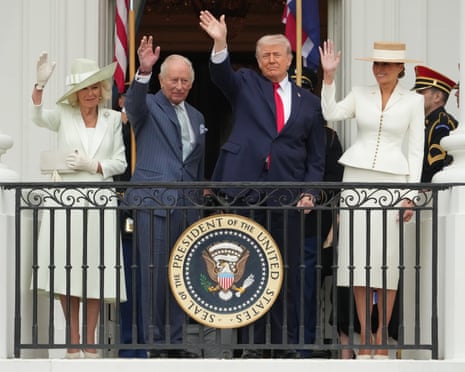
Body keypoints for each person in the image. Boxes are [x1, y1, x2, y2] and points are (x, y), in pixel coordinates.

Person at [199, 11, 326, 358]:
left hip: (288, 196)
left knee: (285, 272)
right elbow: (220, 74)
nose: (271, 59)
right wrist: (220, 42)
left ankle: (283, 347)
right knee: (249, 270)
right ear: (257, 61)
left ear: (289, 59)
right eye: (264, 55)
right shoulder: (245, 84)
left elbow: (316, 158)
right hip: (246, 191)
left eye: (277, 54)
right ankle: (251, 348)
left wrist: (309, 192)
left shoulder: (309, 103)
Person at [319, 40, 424, 359]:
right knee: (356, 262)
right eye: (377, 64)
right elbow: (331, 113)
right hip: (356, 181)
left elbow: (416, 149)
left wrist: (410, 195)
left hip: (393, 183)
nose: (381, 70)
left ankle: (381, 336)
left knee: (387, 263)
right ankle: (364, 334)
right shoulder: (358, 93)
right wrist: (328, 77)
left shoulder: (414, 101)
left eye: (388, 65)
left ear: (400, 69)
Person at [31, 53, 128, 358]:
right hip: (65, 202)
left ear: (102, 90)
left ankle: (91, 341)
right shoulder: (63, 114)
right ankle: (72, 342)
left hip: (100, 201)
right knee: (66, 269)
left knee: (97, 270)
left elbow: (120, 162)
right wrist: (40, 84)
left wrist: (94, 164)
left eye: (96, 87)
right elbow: (36, 116)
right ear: (75, 93)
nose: (91, 94)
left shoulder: (113, 119)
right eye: (85, 89)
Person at [124, 36, 206, 358]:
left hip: (187, 207)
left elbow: (195, 164)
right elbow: (133, 105)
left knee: (181, 275)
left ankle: (176, 341)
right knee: (153, 273)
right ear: (161, 79)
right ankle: (154, 344)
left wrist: (200, 198)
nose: (179, 85)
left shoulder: (198, 117)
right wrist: (142, 71)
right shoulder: (148, 106)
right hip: (154, 203)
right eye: (173, 79)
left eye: (185, 80)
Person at [289, 66, 344, 357]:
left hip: (311, 222)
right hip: (275, 217)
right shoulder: (272, 128)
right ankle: (273, 345)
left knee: (306, 285)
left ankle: (305, 346)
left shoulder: (329, 137)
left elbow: (334, 180)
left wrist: (311, 197)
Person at [412, 65, 459, 182]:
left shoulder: (442, 124)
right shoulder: (431, 122)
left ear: (437, 97)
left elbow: (435, 166)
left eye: (421, 92)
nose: (415, 97)